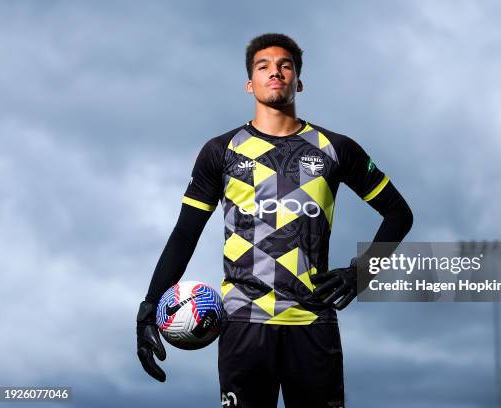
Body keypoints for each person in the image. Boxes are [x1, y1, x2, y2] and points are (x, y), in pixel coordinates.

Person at [136, 33, 413, 408]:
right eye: (263, 66)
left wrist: (360, 273)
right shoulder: (221, 151)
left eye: (285, 66)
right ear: (250, 83)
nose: (275, 72)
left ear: (298, 80)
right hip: (243, 324)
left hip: (313, 322)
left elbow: (399, 213)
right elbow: (186, 233)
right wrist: (150, 305)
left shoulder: (337, 148)